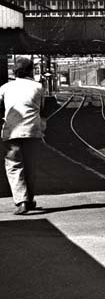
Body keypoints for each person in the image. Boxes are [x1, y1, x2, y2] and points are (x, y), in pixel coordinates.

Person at [0, 57, 46, 215]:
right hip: (32, 132)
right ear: (31, 71)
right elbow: (42, 109)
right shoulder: (38, 87)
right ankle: (29, 199)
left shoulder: (4, 88)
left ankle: (22, 201)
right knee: (30, 166)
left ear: (15, 71)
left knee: (14, 166)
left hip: (12, 132)